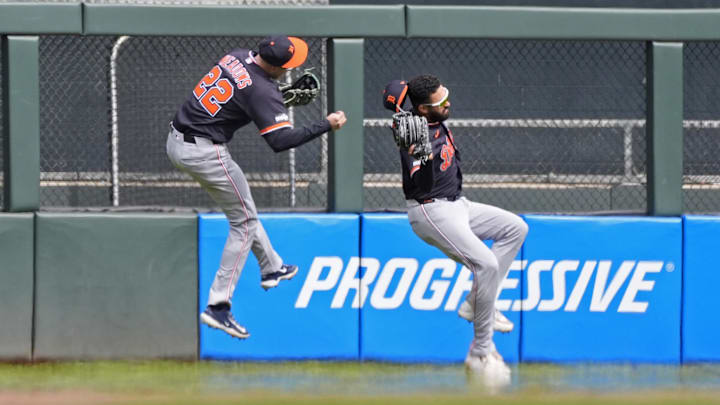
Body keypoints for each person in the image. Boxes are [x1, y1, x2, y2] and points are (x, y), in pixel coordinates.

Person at [167, 35, 347, 340]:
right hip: (205, 152)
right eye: (289, 65)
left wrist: (276, 100)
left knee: (244, 210)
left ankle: (272, 266)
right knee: (245, 223)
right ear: (278, 67)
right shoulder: (263, 91)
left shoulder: (236, 56)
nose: (291, 69)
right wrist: (326, 124)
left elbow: (239, 97)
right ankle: (218, 306)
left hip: (178, 139)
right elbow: (279, 140)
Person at [383, 75, 527, 386]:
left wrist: (399, 107)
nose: (448, 103)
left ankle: (474, 302)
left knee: (515, 228)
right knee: (486, 265)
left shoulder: (420, 117)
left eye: (446, 96)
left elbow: (396, 90)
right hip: (430, 209)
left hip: (458, 205)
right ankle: (481, 352)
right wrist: (420, 155)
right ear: (423, 109)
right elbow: (420, 185)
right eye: (440, 102)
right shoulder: (416, 135)